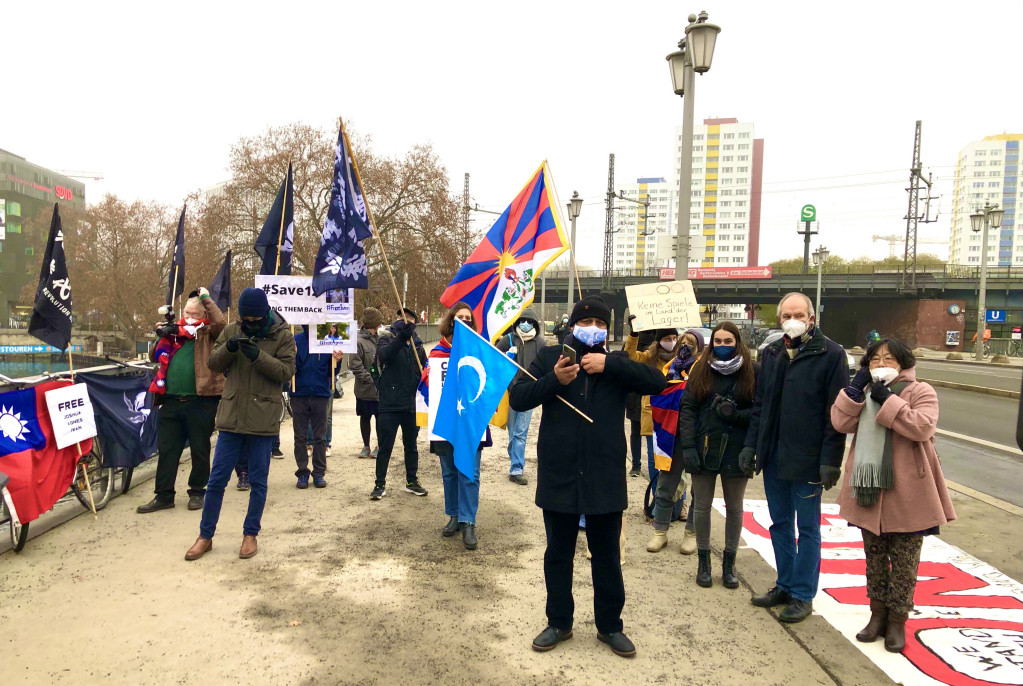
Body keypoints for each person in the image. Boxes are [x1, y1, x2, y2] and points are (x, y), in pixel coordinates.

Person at [510, 295, 666, 658]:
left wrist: (609, 364)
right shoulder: (549, 357)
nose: (593, 328)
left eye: (600, 324)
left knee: (607, 555)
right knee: (558, 554)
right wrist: (554, 380)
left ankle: (610, 626)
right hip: (560, 473)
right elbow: (518, 397)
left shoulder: (618, 362)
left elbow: (656, 382)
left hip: (604, 475)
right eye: (587, 322)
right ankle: (559, 622)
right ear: (572, 324)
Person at [832, 338, 956, 653]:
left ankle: (897, 620)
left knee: (903, 561)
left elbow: (923, 427)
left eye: (888, 358)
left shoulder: (920, 391)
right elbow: (840, 422)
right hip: (868, 489)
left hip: (908, 491)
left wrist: (888, 400)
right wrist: (854, 391)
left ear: (903, 362)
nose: (881, 363)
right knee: (874, 557)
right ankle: (877, 615)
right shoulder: (863, 394)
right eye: (874, 359)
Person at [743, 292, 848, 623]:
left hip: (808, 459)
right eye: (787, 314)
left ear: (811, 317)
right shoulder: (773, 352)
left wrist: (831, 458)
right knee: (780, 524)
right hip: (774, 455)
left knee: (808, 527)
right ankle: (785, 584)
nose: (793, 319)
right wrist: (751, 445)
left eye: (799, 314)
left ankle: (803, 594)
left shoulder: (832, 354)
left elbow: (838, 411)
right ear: (779, 319)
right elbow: (761, 404)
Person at [185, 288, 296, 561]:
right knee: (217, 480)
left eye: (255, 319)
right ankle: (205, 536)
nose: (250, 323)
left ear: (265, 314)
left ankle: (250, 534)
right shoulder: (233, 329)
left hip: (263, 418)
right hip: (231, 416)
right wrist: (230, 348)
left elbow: (286, 372)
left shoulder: (282, 335)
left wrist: (258, 355)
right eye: (246, 319)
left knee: (258, 481)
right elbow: (212, 363)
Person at [674, 321, 759, 588]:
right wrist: (688, 446)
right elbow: (687, 409)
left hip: (737, 448)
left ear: (738, 342)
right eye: (718, 342)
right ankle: (704, 563)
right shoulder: (701, 368)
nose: (722, 346)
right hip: (704, 446)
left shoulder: (752, 371)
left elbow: (759, 412)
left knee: (735, 508)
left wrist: (738, 417)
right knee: (701, 505)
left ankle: (729, 565)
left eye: (728, 341)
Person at [138, 287, 226, 514]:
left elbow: (221, 324)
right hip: (170, 400)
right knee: (167, 450)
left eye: (195, 314)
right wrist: (161, 335)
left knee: (199, 449)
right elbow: (153, 356)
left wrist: (206, 298)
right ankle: (164, 495)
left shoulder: (208, 333)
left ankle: (197, 492)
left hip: (201, 401)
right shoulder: (174, 332)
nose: (189, 318)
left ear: (203, 314)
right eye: (186, 313)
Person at [431, 303, 492, 549]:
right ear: (451, 320)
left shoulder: (480, 349)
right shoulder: (437, 353)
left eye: (468, 318)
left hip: (470, 422)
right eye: (460, 317)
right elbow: (428, 387)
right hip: (445, 420)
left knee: (469, 473)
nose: (464, 321)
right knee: (449, 472)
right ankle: (454, 515)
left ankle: (468, 521)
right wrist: (427, 375)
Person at [643, 328, 704, 555]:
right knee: (666, 485)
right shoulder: (669, 368)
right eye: (683, 342)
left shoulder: (704, 369)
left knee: (699, 489)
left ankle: (691, 534)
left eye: (691, 343)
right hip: (671, 434)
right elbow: (659, 393)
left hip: (697, 435)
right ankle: (660, 532)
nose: (686, 346)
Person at [371, 308, 428, 500]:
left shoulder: (418, 343)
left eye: (410, 319)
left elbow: (425, 369)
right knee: (385, 446)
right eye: (401, 318)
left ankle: (412, 481)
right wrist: (401, 338)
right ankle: (379, 484)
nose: (405, 321)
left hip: (412, 404)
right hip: (390, 403)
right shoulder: (386, 337)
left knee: (411, 446)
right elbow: (384, 355)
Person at [623, 323, 678, 480]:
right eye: (668, 338)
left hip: (674, 415)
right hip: (652, 415)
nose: (672, 341)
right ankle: (656, 501)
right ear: (659, 341)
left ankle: (676, 502)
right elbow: (630, 356)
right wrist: (633, 334)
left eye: (675, 338)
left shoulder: (682, 358)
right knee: (654, 462)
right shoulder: (649, 357)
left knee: (674, 462)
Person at [496, 307, 544, 485]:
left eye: (530, 322)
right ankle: (514, 460)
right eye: (523, 321)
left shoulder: (540, 344)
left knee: (520, 433)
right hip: (509, 394)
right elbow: (494, 359)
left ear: (534, 324)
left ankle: (517, 468)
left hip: (529, 394)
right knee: (513, 433)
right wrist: (506, 356)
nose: (526, 324)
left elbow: (545, 365)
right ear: (517, 323)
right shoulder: (508, 340)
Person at [291, 326, 343, 489]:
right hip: (299, 393)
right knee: (300, 437)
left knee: (320, 436)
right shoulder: (295, 340)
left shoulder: (327, 341)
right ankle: (303, 472)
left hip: (320, 392)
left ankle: (319, 472)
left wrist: (338, 360)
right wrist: (292, 355)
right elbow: (292, 369)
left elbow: (331, 371)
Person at [350, 307, 383, 459]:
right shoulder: (358, 341)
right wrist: (370, 379)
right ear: (374, 324)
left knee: (380, 418)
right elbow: (355, 364)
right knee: (365, 417)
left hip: (380, 390)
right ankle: (366, 445)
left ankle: (379, 445)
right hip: (364, 389)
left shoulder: (381, 339)